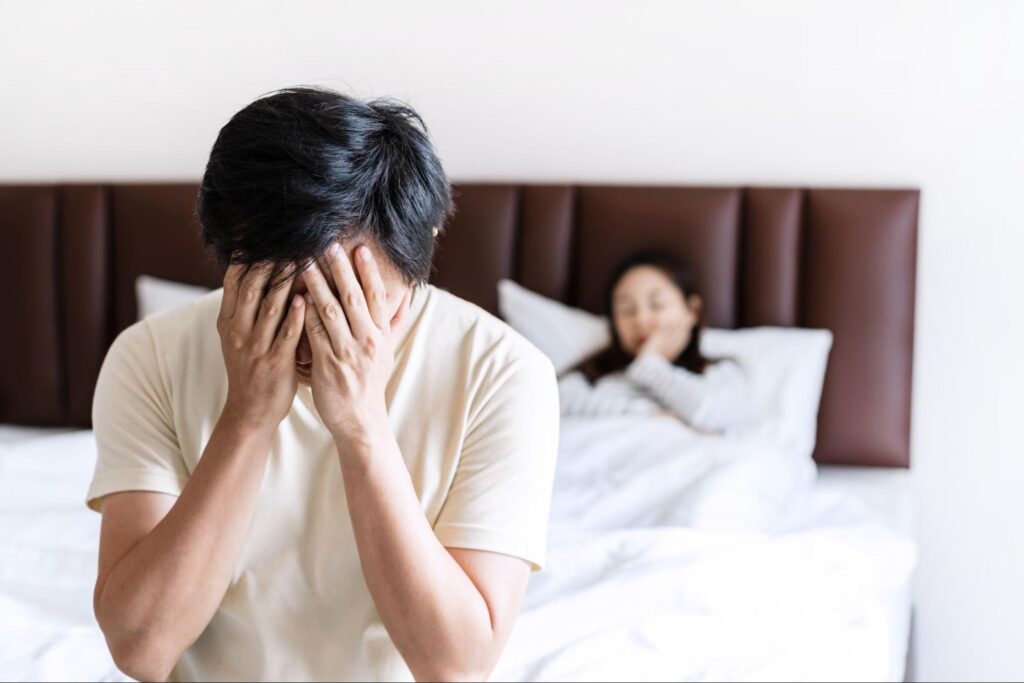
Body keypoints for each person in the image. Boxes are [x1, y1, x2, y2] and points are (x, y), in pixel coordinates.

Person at [86, 87, 560, 682]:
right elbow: (140, 649)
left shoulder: (504, 372)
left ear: (424, 246)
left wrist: (361, 426)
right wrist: (247, 417)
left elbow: (455, 666)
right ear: (232, 263)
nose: (321, 333)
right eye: (288, 300)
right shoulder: (149, 355)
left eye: (355, 298)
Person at [559, 250, 750, 433]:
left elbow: (710, 413)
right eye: (626, 310)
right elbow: (553, 402)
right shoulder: (594, 377)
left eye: (657, 305)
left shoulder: (722, 374)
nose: (641, 320)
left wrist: (650, 363)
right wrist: (651, 415)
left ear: (692, 310)